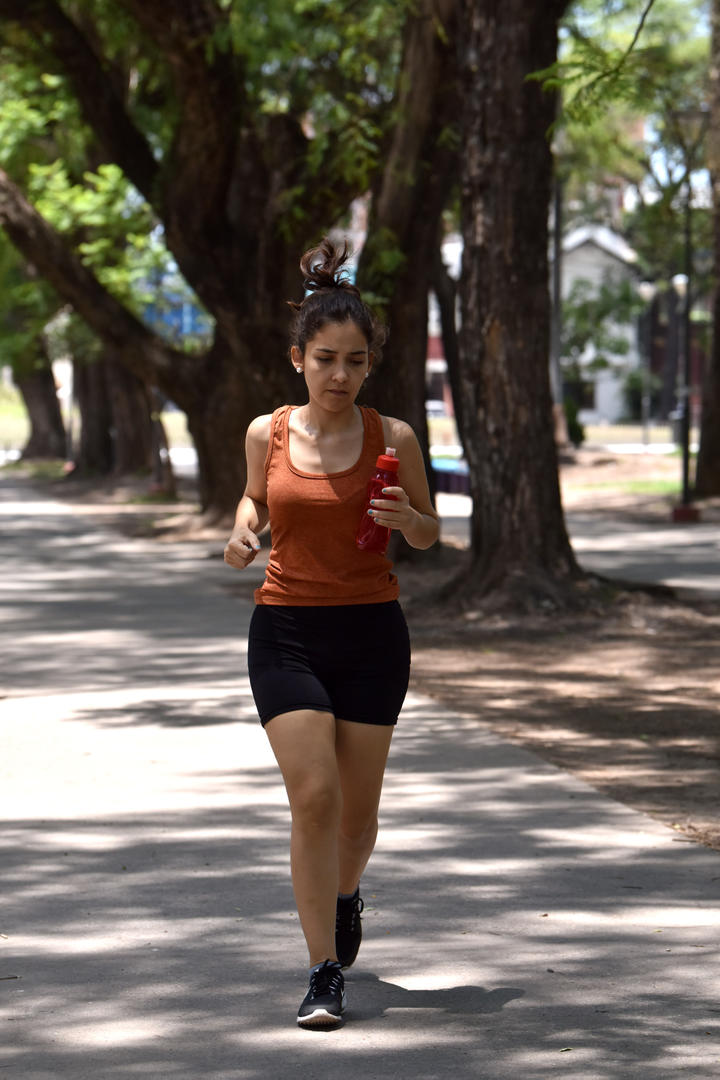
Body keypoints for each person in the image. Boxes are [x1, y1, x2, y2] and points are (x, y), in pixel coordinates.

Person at [223, 237, 439, 1028]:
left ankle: (348, 892)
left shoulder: (397, 438)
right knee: (315, 798)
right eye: (324, 359)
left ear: (369, 364)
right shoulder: (266, 433)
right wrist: (243, 532)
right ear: (297, 359)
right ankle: (322, 972)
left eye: (354, 360)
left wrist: (407, 517)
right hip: (285, 631)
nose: (339, 374)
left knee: (358, 817)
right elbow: (252, 500)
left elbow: (429, 536)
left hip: (373, 634)